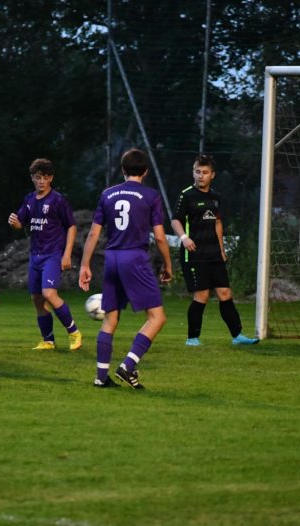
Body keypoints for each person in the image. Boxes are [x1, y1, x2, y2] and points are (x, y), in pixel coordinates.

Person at [79, 148, 173, 389]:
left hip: (112, 258)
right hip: (135, 258)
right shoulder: (150, 196)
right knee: (157, 317)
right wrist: (168, 263)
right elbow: (160, 238)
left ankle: (101, 377)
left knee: (110, 318)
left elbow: (93, 233)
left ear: (122, 170)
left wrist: (85, 265)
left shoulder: (107, 194)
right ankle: (128, 365)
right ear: (146, 171)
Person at [171, 154, 260, 347]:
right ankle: (192, 338)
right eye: (197, 172)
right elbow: (175, 220)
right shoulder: (186, 195)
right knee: (201, 296)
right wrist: (184, 238)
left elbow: (218, 222)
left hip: (214, 254)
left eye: (205, 172)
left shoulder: (216, 197)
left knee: (225, 293)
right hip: (194, 254)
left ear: (213, 175)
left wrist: (221, 249)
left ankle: (238, 336)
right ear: (193, 173)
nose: (200, 176)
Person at [7, 158, 82, 351]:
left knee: (49, 293)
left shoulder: (58, 200)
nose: (42, 181)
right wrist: (14, 222)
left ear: (51, 178)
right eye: (38, 177)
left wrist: (67, 255)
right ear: (32, 178)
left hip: (53, 254)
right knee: (37, 299)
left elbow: (71, 227)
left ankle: (74, 332)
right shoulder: (29, 199)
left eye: (46, 178)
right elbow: (19, 224)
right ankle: (48, 340)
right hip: (35, 256)